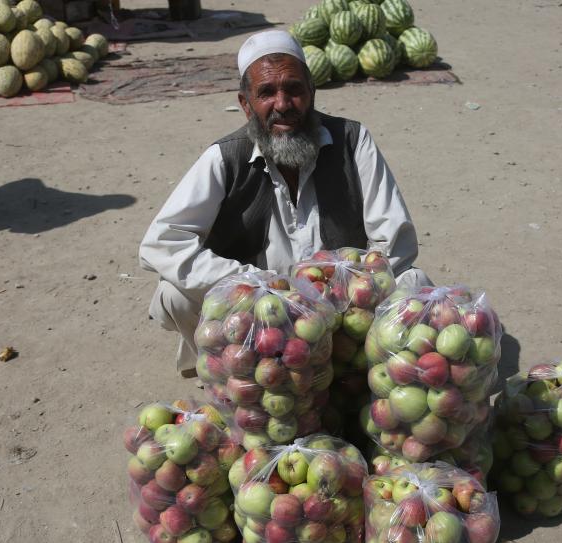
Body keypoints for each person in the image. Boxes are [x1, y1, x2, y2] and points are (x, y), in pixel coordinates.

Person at [139, 29, 431, 378]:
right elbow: (162, 242)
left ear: (311, 92)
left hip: (345, 310)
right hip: (256, 316)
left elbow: (395, 241)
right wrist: (254, 284)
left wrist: (342, 294)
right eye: (266, 93)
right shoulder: (225, 158)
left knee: (414, 282)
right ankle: (230, 374)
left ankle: (359, 371)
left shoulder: (353, 142)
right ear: (245, 104)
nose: (282, 104)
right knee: (173, 294)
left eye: (294, 89)